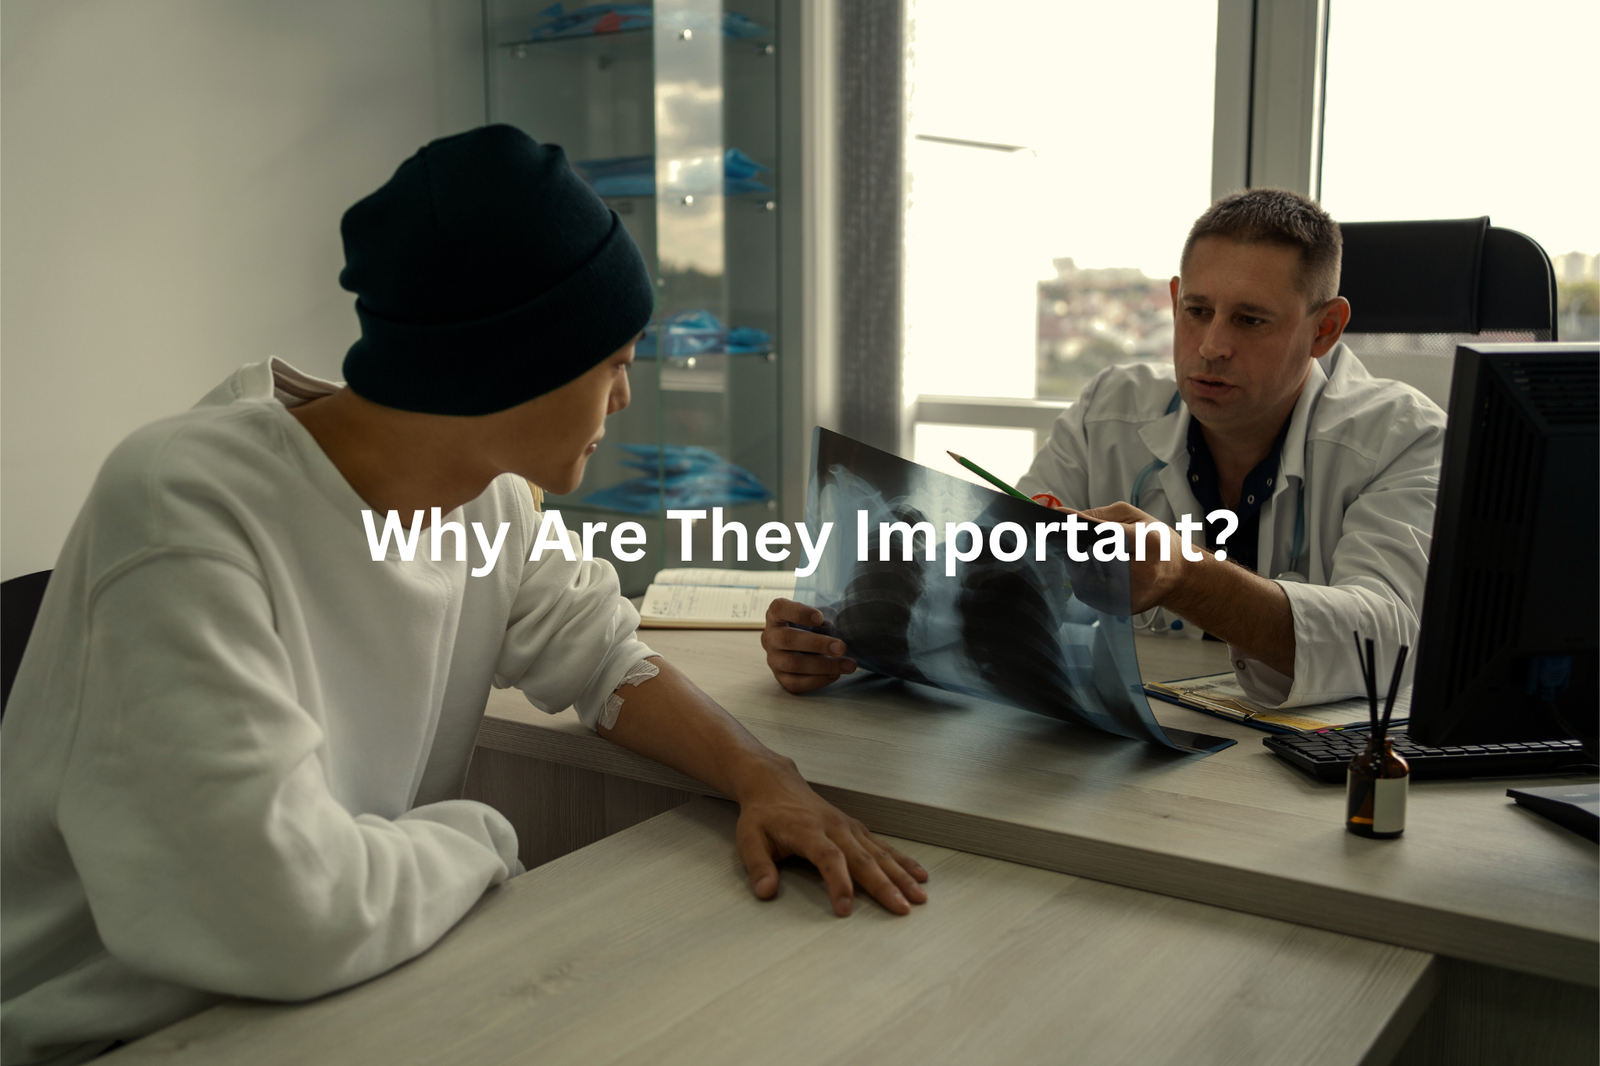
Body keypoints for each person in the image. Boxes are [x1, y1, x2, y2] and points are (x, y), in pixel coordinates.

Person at [0, 126, 925, 1066]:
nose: (625, 400)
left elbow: (608, 658)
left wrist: (763, 777)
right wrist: (480, 834)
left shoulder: (487, 503)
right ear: (510, 365)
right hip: (119, 1033)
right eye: (611, 363)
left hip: (330, 996)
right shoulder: (184, 503)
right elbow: (284, 919)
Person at [764, 188, 1444, 708]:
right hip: (1137, 743)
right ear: (1174, 300)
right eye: (1197, 310)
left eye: (1251, 320)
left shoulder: (1403, 438)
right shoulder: (1110, 409)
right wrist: (839, 634)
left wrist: (1187, 577)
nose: (1211, 346)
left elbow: (1390, 642)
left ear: (1326, 329)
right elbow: (995, 573)